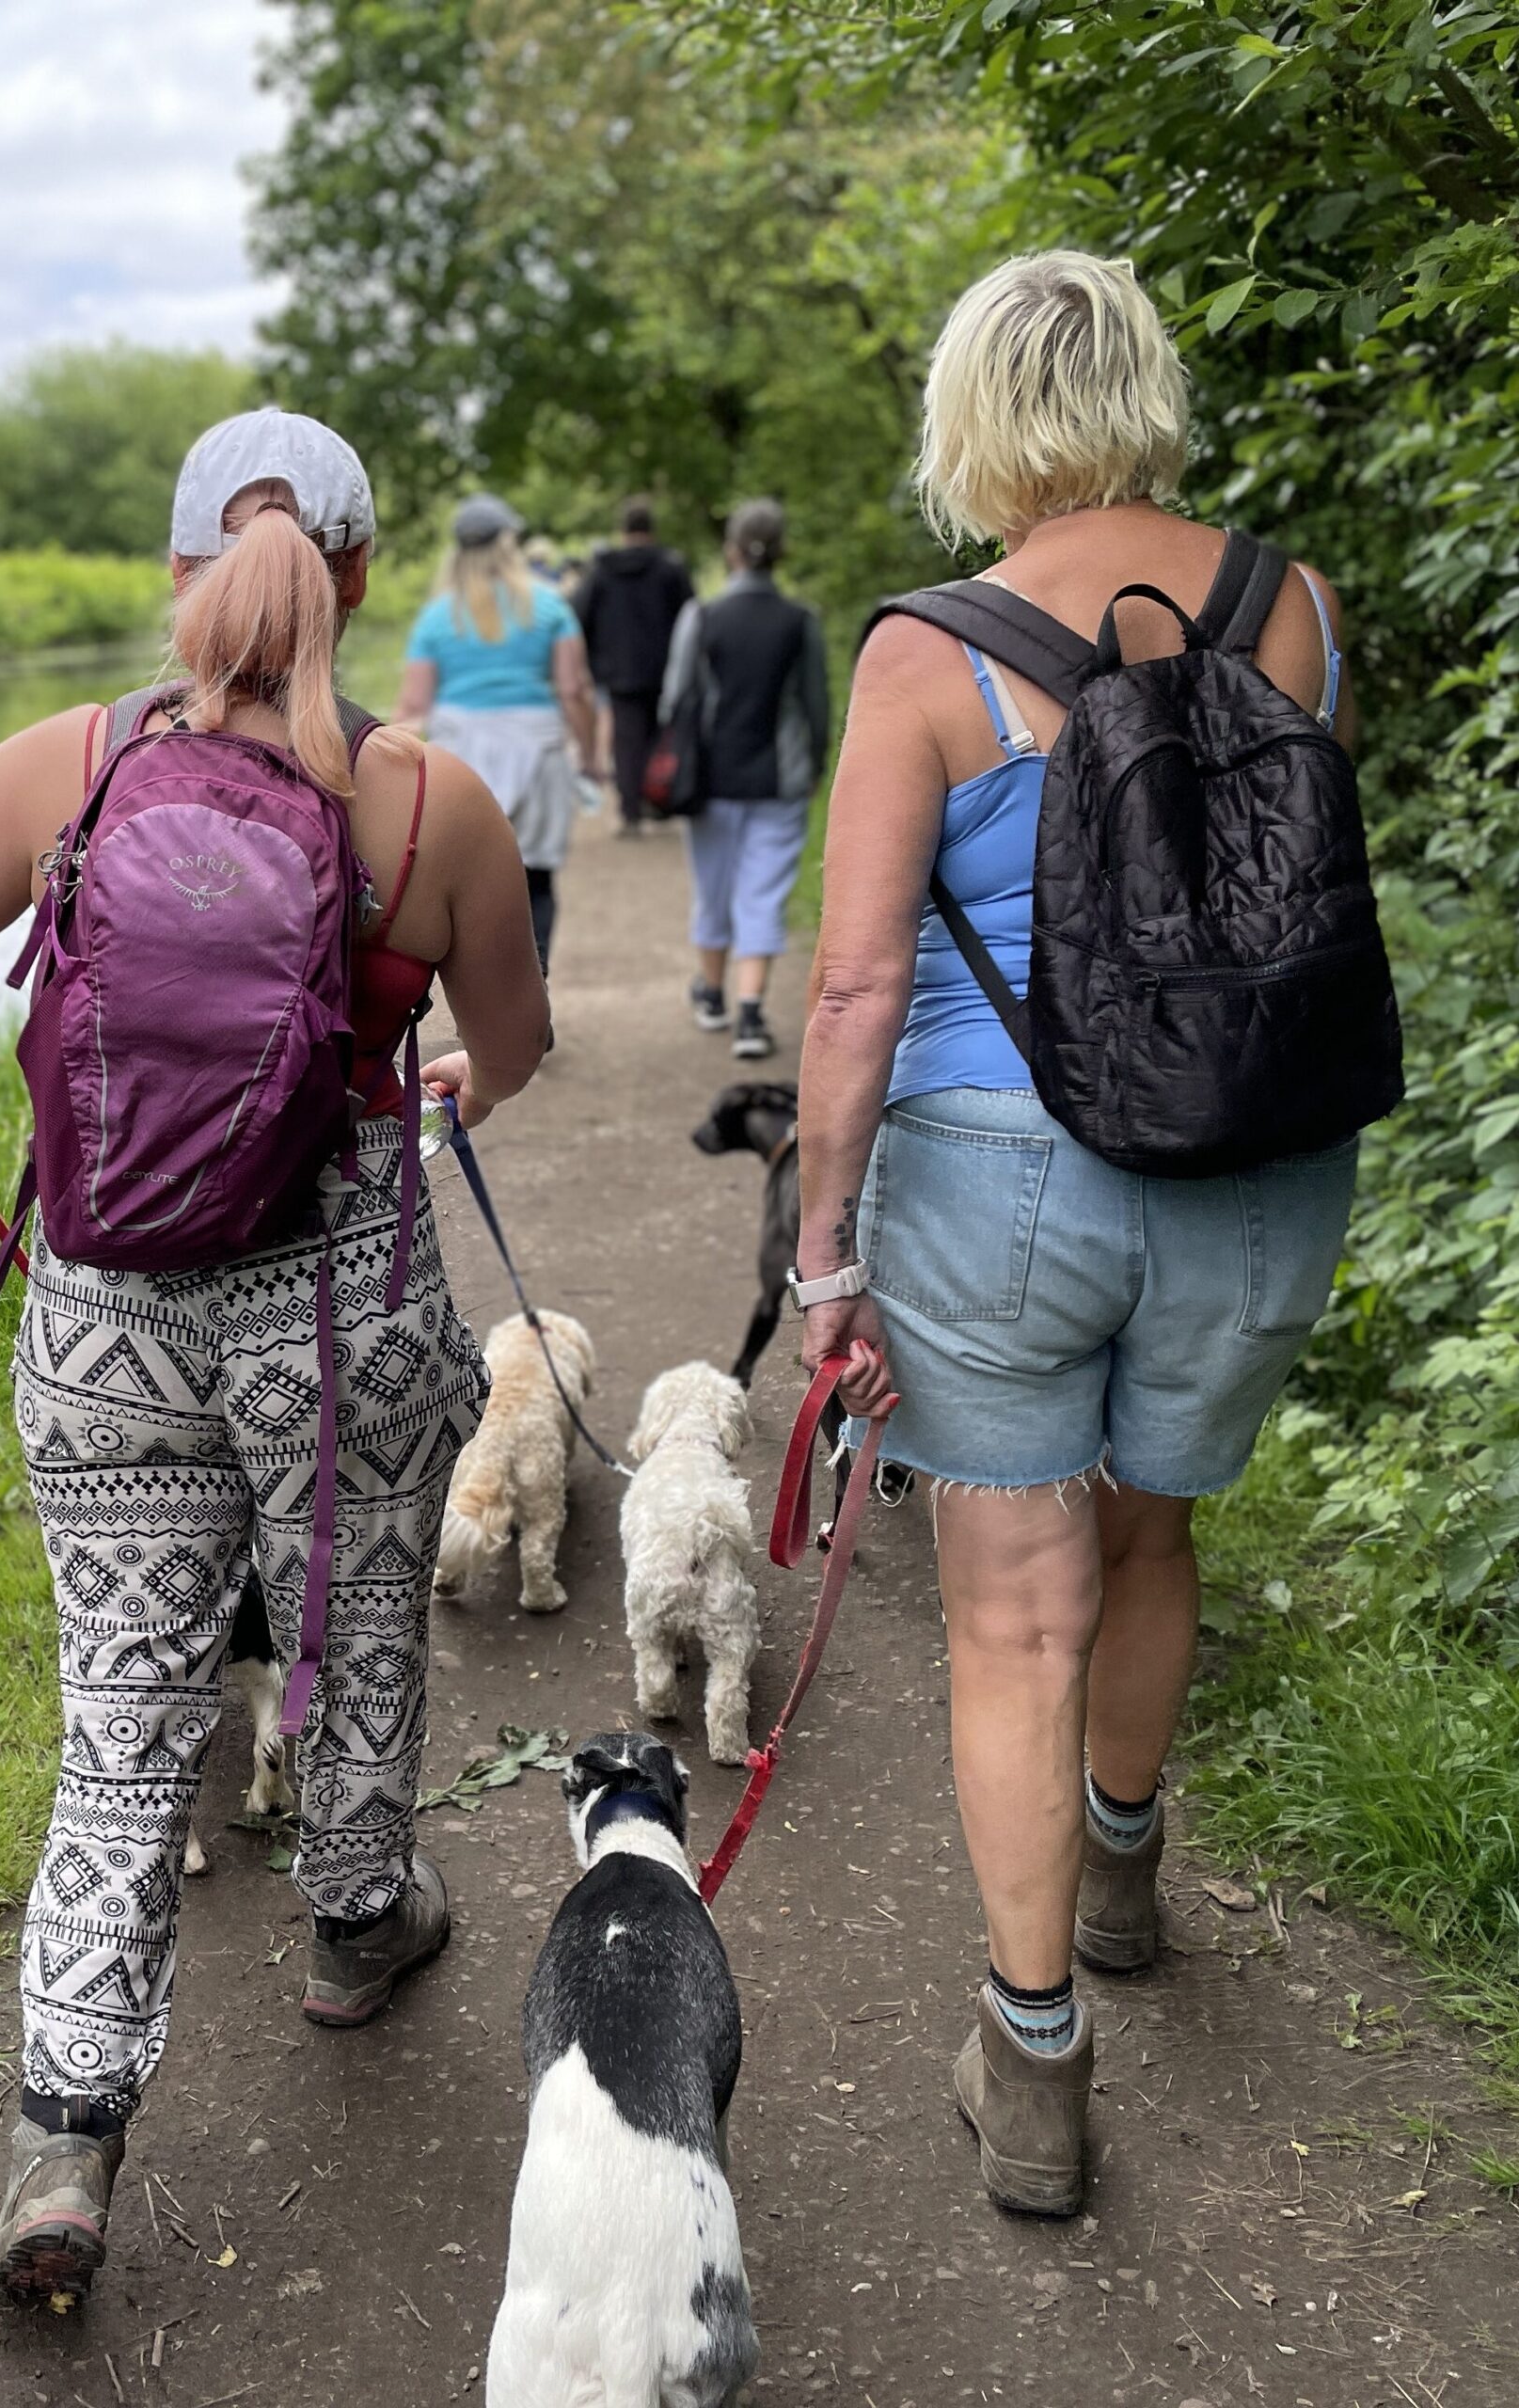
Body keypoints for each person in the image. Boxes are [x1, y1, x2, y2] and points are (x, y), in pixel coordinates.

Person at [0, 408, 550, 2301]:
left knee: (123, 1703)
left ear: (182, 575)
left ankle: (62, 2138)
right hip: (338, 1302)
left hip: (101, 1315)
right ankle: (357, 1918)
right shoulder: (429, 809)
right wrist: (431, 1066)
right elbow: (501, 1051)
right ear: (352, 574)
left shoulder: (67, 771)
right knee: (349, 1626)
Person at [792, 252, 1358, 2215]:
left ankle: (1029, 2065)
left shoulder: (919, 655)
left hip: (995, 1172)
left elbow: (853, 991)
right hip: (1255, 1162)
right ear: (1144, 390)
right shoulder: (1288, 606)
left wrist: (818, 1255)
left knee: (1007, 1614)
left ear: (970, 416)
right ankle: (1120, 1863)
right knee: (1154, 1530)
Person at [395, 494, 597, 970]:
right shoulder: (549, 608)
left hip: (462, 756)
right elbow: (573, 689)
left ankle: (483, 1003)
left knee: (467, 883)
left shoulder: (437, 617)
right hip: (539, 750)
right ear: (510, 545)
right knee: (538, 879)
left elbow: (412, 706)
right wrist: (589, 755)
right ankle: (537, 985)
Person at [658, 499, 829, 1057]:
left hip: (709, 779)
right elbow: (815, 704)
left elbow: (676, 700)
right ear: (783, 553)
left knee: (714, 888)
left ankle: (711, 994)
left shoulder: (701, 617)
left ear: (731, 551)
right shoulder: (800, 621)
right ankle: (751, 1016)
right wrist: (817, 763)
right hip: (779, 781)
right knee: (763, 894)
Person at [574, 495, 694, 834]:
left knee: (626, 742)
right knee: (661, 735)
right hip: (665, 668)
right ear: (651, 530)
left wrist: (595, 659)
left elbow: (579, 616)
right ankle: (657, 802)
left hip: (618, 671)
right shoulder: (670, 567)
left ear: (623, 529)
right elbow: (691, 615)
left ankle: (629, 812)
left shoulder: (601, 570)